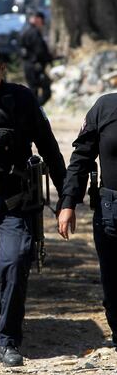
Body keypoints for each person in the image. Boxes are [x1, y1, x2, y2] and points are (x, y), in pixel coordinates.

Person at [0, 42, 66, 370]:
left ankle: (9, 340)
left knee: (15, 263)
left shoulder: (22, 99)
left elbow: (49, 148)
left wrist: (67, 199)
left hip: (14, 201)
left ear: (3, 69)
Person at [58, 94, 117, 349]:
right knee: (114, 281)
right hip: (112, 209)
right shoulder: (105, 107)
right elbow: (81, 157)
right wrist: (68, 202)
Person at [19, 10, 52, 106]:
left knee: (33, 91)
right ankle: (35, 110)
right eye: (42, 21)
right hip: (35, 66)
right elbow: (40, 51)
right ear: (37, 19)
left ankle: (34, 111)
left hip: (29, 66)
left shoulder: (25, 30)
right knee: (45, 91)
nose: (42, 24)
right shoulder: (33, 33)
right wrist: (49, 59)